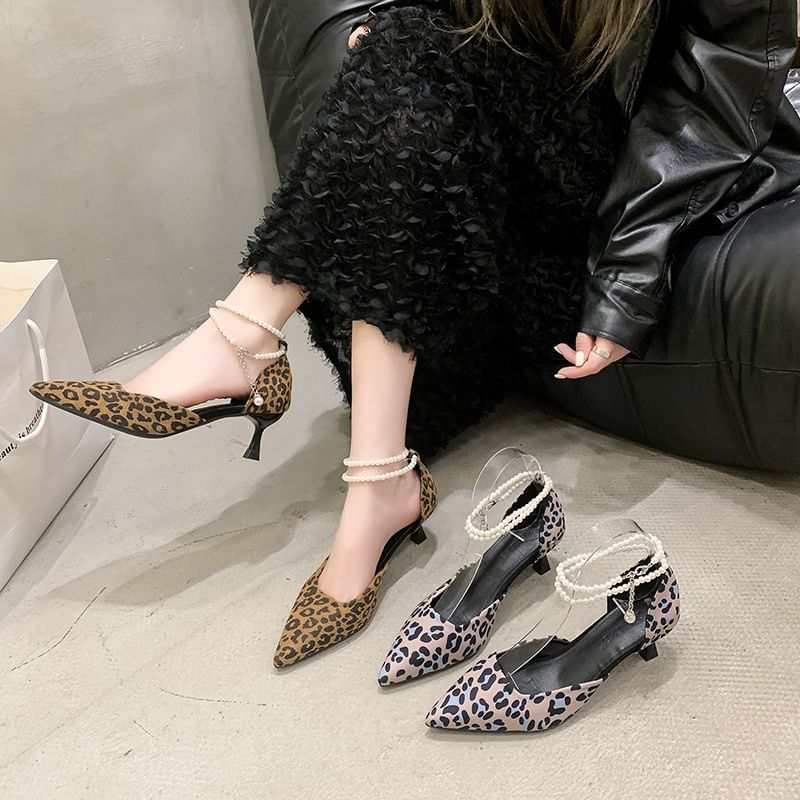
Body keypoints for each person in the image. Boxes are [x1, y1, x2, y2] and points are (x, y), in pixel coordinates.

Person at [31, 0, 800, 666]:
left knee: (407, 57)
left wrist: (628, 277)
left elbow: (710, 100)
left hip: (631, 184)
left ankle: (245, 338)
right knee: (404, 59)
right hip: (501, 180)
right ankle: (375, 479)